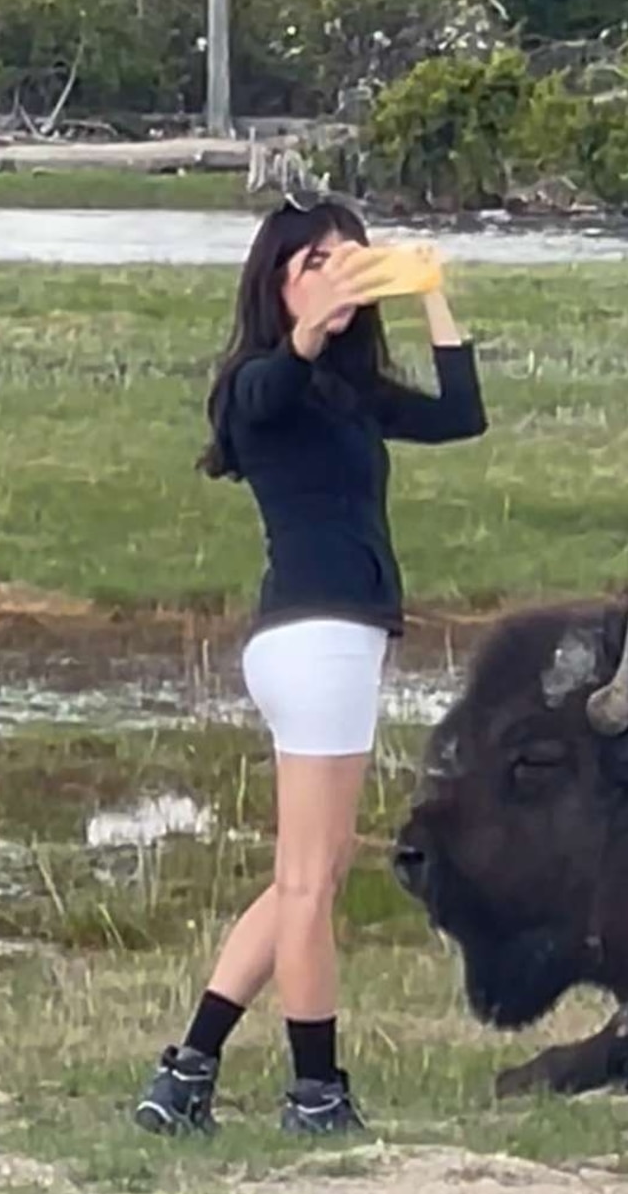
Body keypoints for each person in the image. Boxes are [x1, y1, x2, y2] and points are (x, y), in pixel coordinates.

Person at [136, 196, 487, 1139]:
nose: (336, 273)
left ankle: (187, 1072)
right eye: (313, 262)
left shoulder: (345, 388)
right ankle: (315, 1093)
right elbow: (261, 396)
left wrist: (430, 294)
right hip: (316, 637)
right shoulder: (260, 380)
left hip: (335, 638)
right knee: (308, 885)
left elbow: (461, 417)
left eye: (349, 259)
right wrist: (306, 328)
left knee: (309, 875)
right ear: (278, 280)